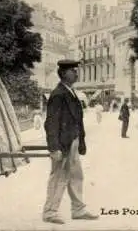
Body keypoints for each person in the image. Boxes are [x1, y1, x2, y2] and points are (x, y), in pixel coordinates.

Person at [42, 59, 99, 224]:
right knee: (59, 176)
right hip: (62, 143)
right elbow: (51, 123)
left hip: (72, 141)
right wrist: (54, 148)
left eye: (76, 70)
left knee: (76, 175)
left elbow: (77, 120)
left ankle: (78, 210)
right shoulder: (58, 94)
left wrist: (81, 141)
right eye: (72, 70)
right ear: (63, 74)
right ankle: (50, 212)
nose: (76, 72)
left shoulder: (71, 92)